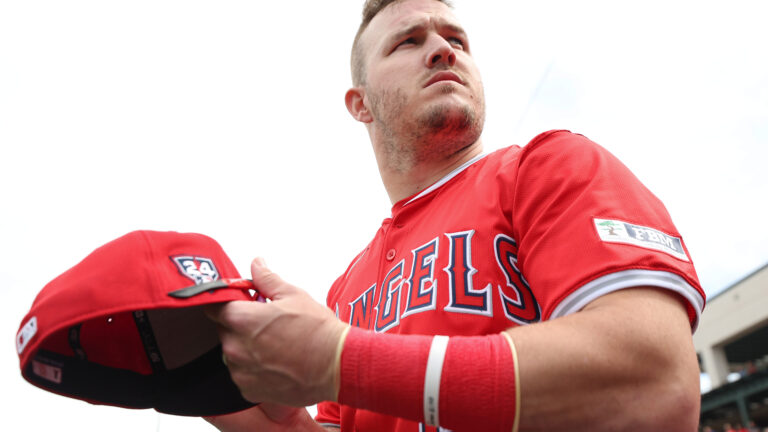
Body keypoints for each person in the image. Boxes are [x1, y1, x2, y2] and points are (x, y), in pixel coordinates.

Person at [204, 0, 706, 431]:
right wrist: (249, 411)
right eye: (408, 41)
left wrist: (341, 359)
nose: (443, 50)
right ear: (361, 105)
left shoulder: (548, 166)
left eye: (457, 40)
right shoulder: (345, 288)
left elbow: (655, 386)